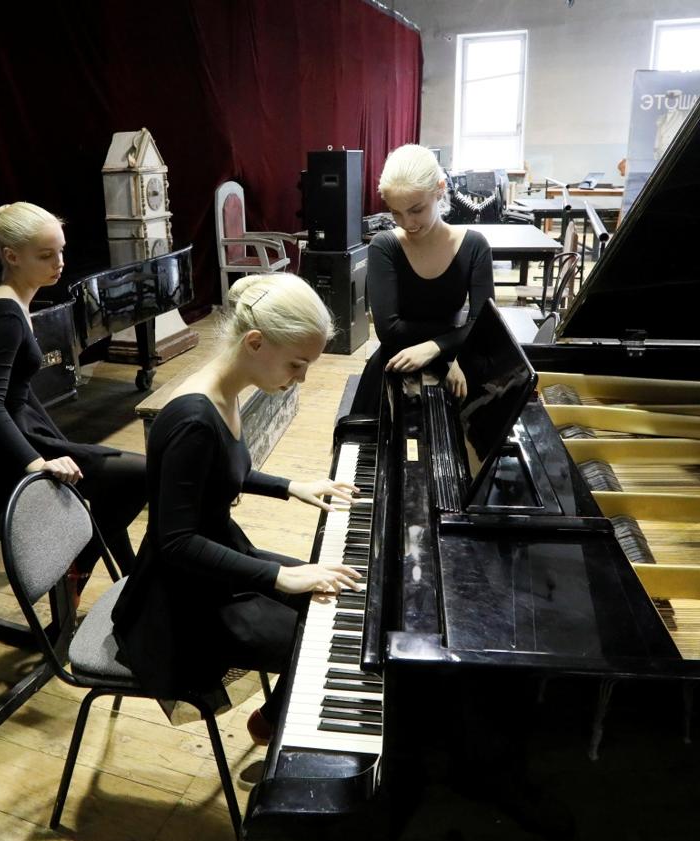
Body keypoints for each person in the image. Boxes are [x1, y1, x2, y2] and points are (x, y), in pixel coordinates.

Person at [111, 272, 360, 744]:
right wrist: (278, 577)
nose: (301, 378)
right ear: (255, 342)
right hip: (181, 595)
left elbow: (223, 469)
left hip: (211, 561)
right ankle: (276, 727)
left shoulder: (223, 391)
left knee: (335, 592)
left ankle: (273, 717)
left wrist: (291, 486)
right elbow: (176, 543)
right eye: (296, 365)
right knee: (317, 635)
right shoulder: (194, 420)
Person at [0, 201, 147, 588]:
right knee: (137, 475)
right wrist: (36, 462)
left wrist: (59, 443)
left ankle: (130, 580)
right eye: (46, 255)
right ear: (11, 256)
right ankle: (89, 575)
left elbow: (17, 394)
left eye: (61, 251)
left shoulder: (16, 300)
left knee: (128, 478)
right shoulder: (5, 316)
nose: (59, 262)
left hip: (18, 434)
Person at [349, 143, 495, 414]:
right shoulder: (385, 246)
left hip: (456, 363)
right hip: (398, 361)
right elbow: (389, 330)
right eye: (396, 212)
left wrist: (435, 348)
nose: (407, 223)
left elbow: (485, 323)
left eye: (416, 209)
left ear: (439, 189)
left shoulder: (474, 245)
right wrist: (454, 340)